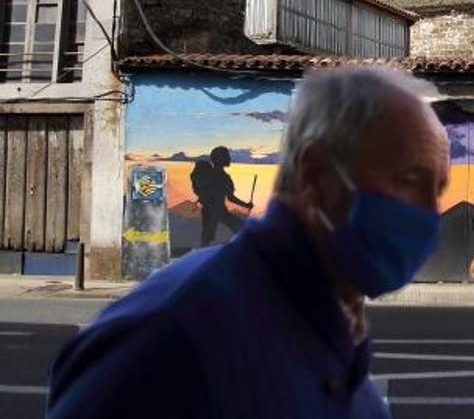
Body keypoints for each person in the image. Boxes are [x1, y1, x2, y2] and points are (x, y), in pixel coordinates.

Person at [47, 67, 449, 418]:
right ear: (315, 174)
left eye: (438, 189)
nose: (430, 212)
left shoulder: (347, 363)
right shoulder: (168, 335)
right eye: (407, 180)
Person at [191, 145, 254, 247]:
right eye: (227, 156)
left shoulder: (207, 174)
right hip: (220, 211)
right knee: (241, 228)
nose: (229, 158)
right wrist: (246, 205)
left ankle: (202, 258)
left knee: (206, 239)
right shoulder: (224, 177)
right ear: (222, 159)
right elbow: (231, 198)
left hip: (208, 210)